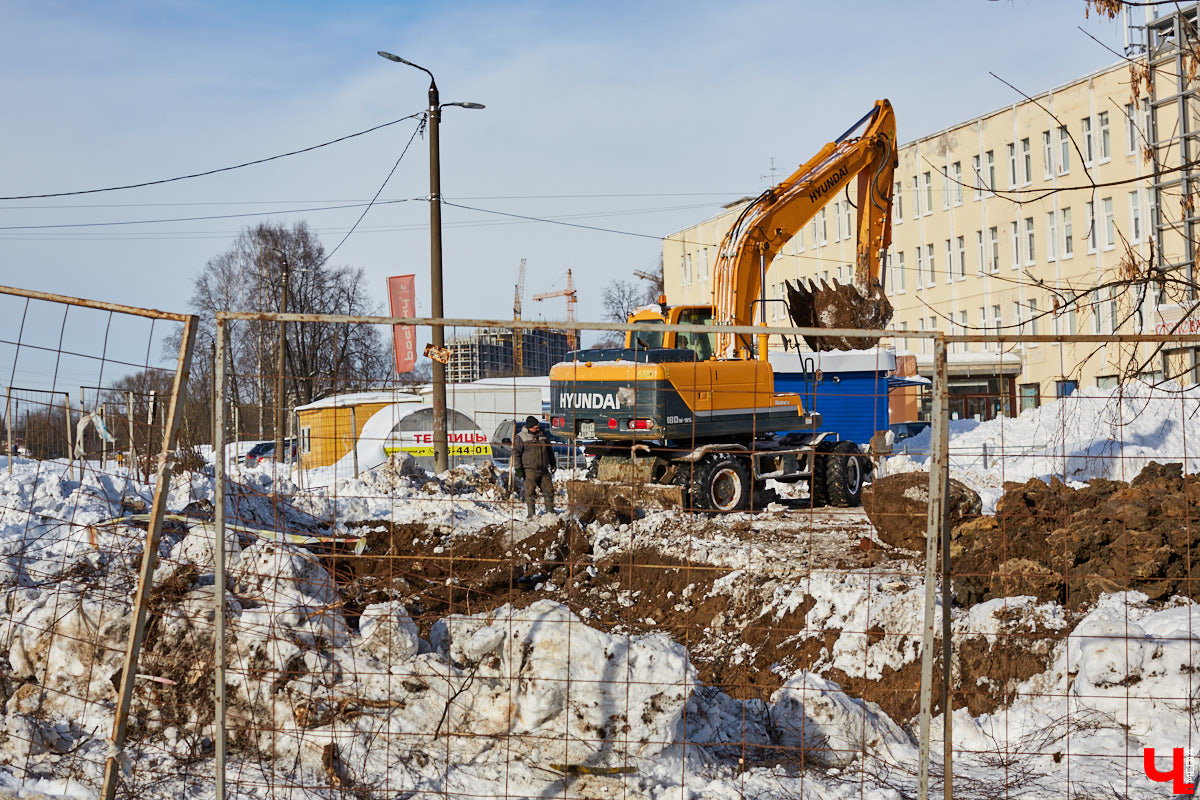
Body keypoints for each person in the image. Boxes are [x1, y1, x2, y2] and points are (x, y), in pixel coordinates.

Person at [512, 415, 556, 518]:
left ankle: (550, 512)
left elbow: (549, 451)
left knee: (549, 490)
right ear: (529, 427)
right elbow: (516, 454)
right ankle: (531, 514)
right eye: (535, 427)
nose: (538, 428)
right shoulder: (521, 437)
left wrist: (552, 462)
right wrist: (518, 468)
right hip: (529, 470)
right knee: (530, 492)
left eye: (538, 426)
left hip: (544, 469)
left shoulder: (543, 435)